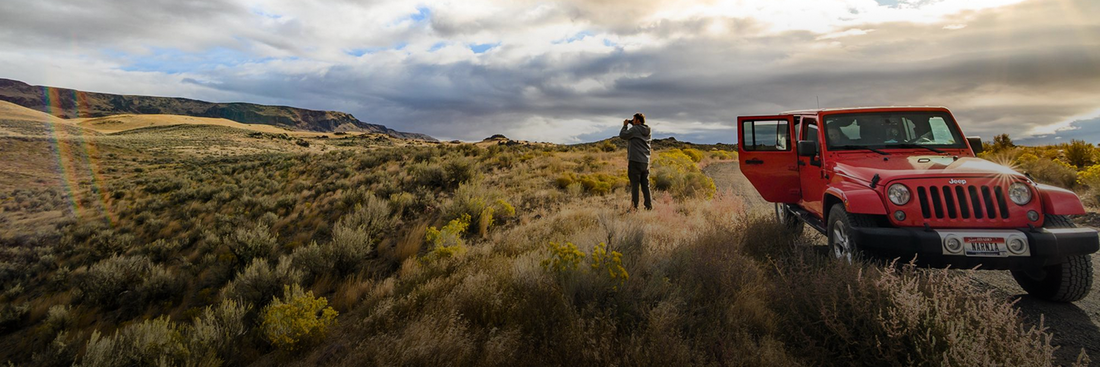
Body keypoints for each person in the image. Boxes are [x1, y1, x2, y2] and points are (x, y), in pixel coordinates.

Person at [619, 112, 652, 211]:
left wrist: (625, 126)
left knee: (635, 185)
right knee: (645, 185)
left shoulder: (635, 129)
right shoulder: (648, 130)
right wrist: (632, 124)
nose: (632, 121)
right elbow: (637, 131)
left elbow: (623, 135)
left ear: (638, 120)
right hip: (645, 161)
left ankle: (634, 207)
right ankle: (648, 206)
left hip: (635, 160)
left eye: (633, 119)